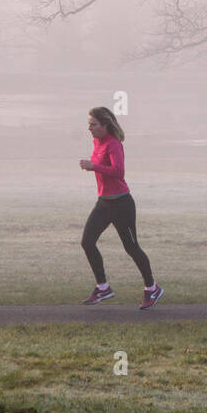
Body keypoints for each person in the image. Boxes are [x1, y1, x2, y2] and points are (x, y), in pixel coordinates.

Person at [77, 106, 162, 309]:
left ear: (105, 125)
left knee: (131, 247)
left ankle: (152, 288)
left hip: (122, 203)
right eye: (89, 124)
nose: (89, 128)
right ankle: (103, 286)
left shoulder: (113, 144)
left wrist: (94, 166)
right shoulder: (97, 141)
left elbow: (118, 172)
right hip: (104, 202)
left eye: (93, 125)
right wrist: (93, 166)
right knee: (87, 242)